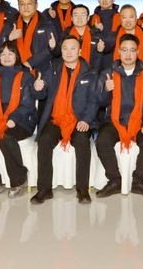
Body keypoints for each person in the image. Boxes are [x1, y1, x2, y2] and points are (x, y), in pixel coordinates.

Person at [30, 36, 98, 205]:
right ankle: (44, 189)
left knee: (82, 141)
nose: (68, 52)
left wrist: (86, 120)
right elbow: (41, 94)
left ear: (80, 51)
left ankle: (82, 189)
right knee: (44, 140)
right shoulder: (53, 70)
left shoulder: (90, 72)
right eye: (65, 48)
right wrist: (37, 88)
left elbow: (94, 100)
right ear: (61, 52)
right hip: (56, 119)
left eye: (73, 48)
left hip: (79, 119)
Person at [95, 34, 143, 198]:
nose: (128, 54)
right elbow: (100, 102)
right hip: (114, 121)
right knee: (102, 140)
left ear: (138, 52)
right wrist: (106, 90)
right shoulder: (108, 73)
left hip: (139, 121)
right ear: (118, 51)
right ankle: (114, 180)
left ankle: (138, 181)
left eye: (132, 50)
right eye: (124, 50)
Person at [0, 41, 40, 199]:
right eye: (2, 54)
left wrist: (14, 118)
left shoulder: (26, 76)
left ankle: (19, 180)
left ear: (16, 56)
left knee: (5, 136)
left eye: (10, 53)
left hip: (22, 120)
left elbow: (28, 104)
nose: (6, 57)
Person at [0, 0, 55, 75]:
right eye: (22, 4)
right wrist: (8, 38)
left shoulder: (46, 23)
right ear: (18, 6)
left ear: (36, 5)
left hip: (41, 71)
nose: (26, 7)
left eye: (29, 4)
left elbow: (51, 49)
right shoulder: (10, 23)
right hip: (13, 71)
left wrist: (31, 62)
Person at [50, 4, 108, 72]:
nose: (79, 18)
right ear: (71, 18)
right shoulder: (65, 34)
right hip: (69, 71)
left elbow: (100, 59)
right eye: (76, 15)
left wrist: (100, 50)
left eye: (83, 15)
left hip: (91, 72)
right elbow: (58, 53)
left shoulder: (97, 35)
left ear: (88, 18)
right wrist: (53, 47)